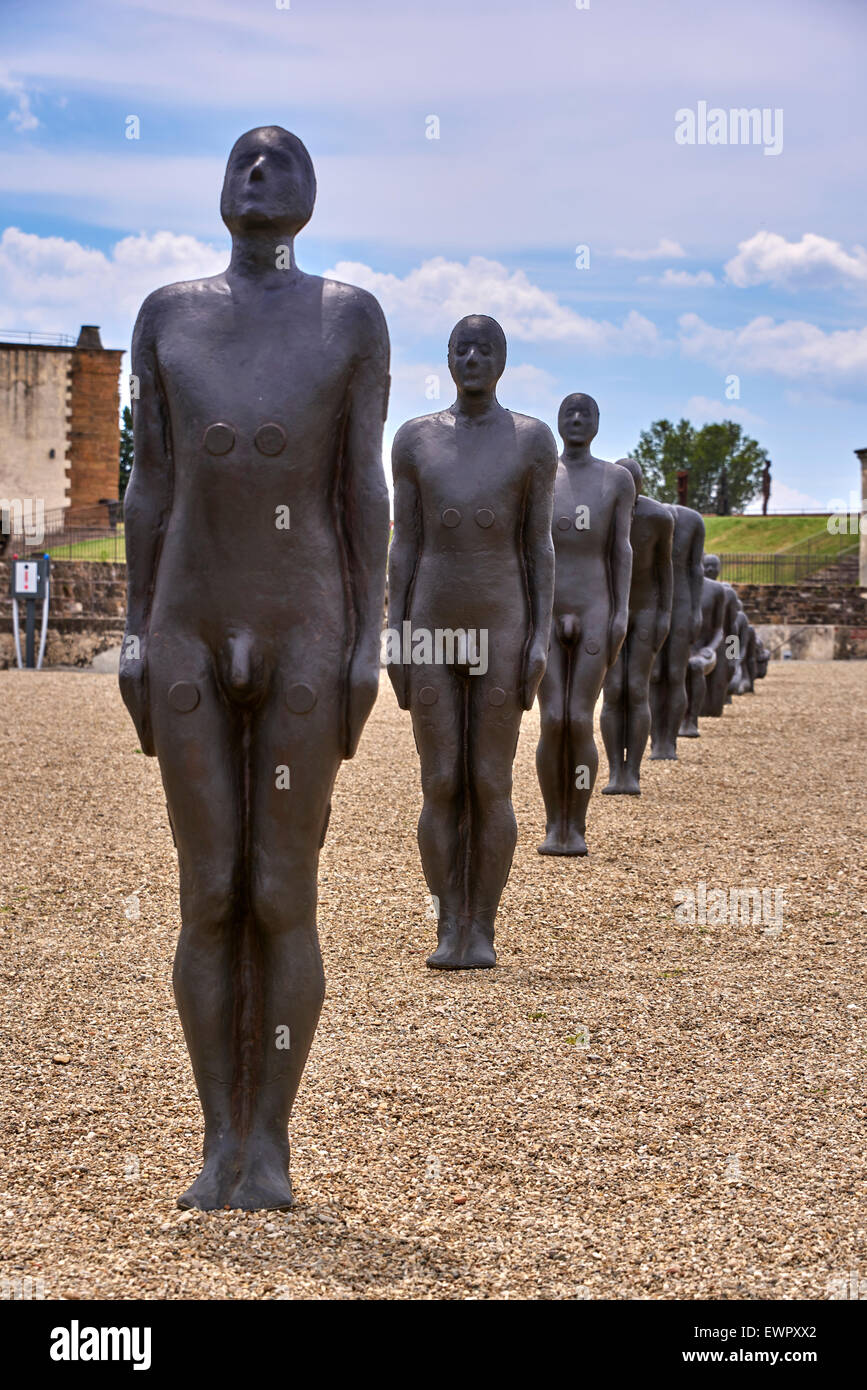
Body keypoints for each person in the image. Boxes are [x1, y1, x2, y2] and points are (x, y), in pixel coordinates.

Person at [119, 127, 391, 1210]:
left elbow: (360, 487)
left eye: (284, 158)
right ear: (220, 190)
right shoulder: (168, 315)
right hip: (190, 617)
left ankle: (266, 1138)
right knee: (208, 888)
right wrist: (137, 626)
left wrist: (370, 634)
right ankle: (215, 1136)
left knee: (280, 889)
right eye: (244, 155)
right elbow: (150, 485)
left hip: (303, 627)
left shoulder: (349, 318)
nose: (261, 167)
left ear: (314, 195)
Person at [387, 315, 557, 968]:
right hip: (433, 627)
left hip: (501, 628)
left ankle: (479, 924)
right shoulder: (414, 440)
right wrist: (397, 635)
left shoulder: (531, 442)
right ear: (447, 359)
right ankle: (445, 924)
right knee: (440, 779)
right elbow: (404, 547)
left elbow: (537, 548)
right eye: (461, 348)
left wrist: (538, 636)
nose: (472, 357)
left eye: (485, 348)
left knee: (488, 780)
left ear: (503, 360)